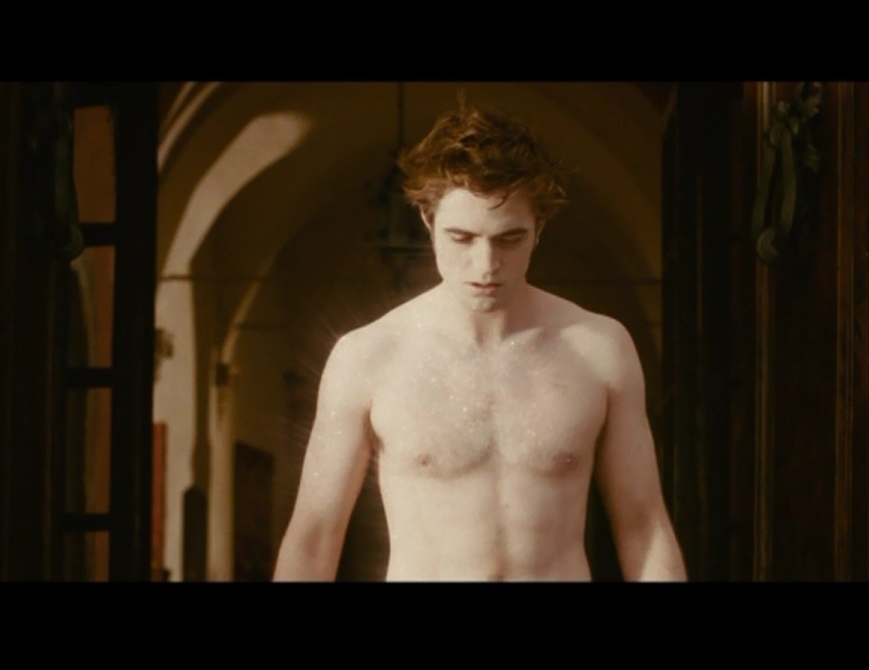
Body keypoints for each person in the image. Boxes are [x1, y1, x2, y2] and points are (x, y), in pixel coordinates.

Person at [273, 100, 686, 581]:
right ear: (428, 220)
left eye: (509, 239)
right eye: (462, 238)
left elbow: (643, 527)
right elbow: (315, 537)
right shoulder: (367, 356)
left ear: (539, 228)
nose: (486, 265)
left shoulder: (598, 348)